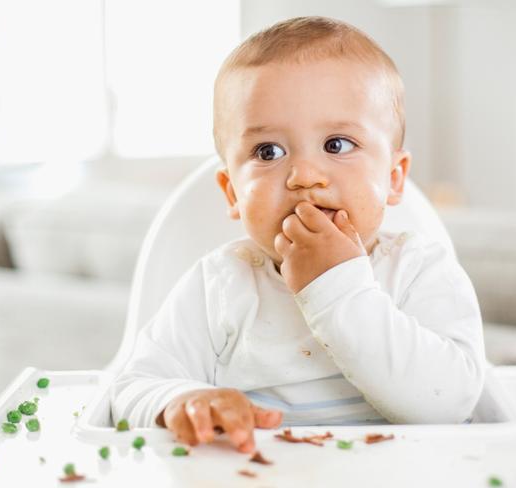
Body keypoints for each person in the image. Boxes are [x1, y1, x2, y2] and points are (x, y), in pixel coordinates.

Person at [111, 16, 486, 454]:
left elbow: (452, 402)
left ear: (394, 177)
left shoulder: (419, 271)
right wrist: (181, 400)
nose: (304, 177)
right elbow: (133, 386)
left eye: (337, 144)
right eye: (268, 152)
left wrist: (337, 287)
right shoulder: (219, 285)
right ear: (232, 192)